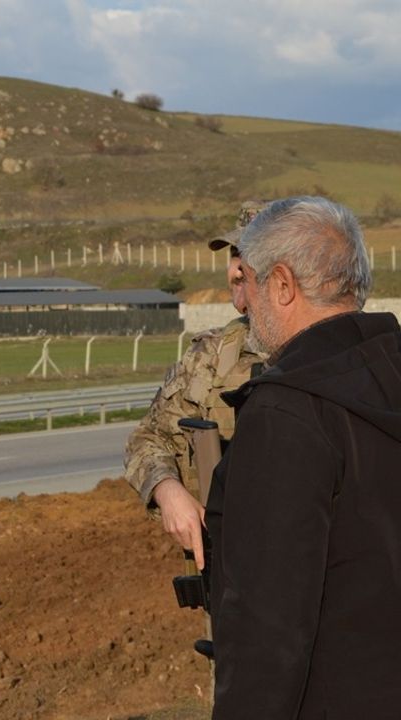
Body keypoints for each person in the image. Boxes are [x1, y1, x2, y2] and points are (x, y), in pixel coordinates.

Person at [207, 196, 401, 719]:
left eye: (254, 283)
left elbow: (266, 631)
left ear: (283, 284)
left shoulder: (288, 414)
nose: (246, 305)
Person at [123, 203, 267, 561]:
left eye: (251, 253)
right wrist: (167, 490)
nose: (236, 269)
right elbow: (148, 437)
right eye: (235, 254)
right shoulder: (210, 355)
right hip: (224, 571)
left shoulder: (326, 350)